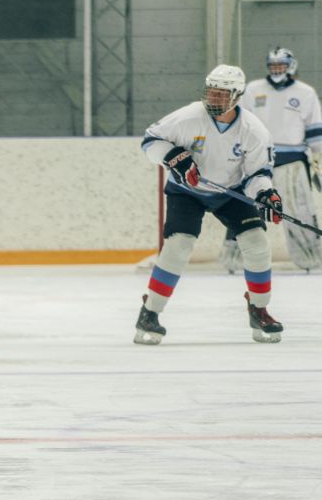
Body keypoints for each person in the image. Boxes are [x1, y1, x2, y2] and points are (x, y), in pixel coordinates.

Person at [136, 64, 284, 345]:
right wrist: (173, 156)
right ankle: (150, 312)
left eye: (222, 94)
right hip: (186, 192)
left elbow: (258, 174)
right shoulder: (188, 116)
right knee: (179, 246)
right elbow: (150, 141)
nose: (214, 98)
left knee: (256, 242)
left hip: (230, 192)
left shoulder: (253, 130)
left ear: (237, 96)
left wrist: (266, 194)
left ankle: (259, 309)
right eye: (211, 92)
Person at [218, 46, 322, 272]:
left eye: (281, 65)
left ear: (291, 66)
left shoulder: (306, 93)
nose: (276, 69)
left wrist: (318, 157)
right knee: (246, 209)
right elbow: (239, 123)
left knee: (299, 210)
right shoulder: (253, 89)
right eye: (273, 65)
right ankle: (235, 259)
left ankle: (310, 259)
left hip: (292, 161)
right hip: (255, 160)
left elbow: (315, 130)